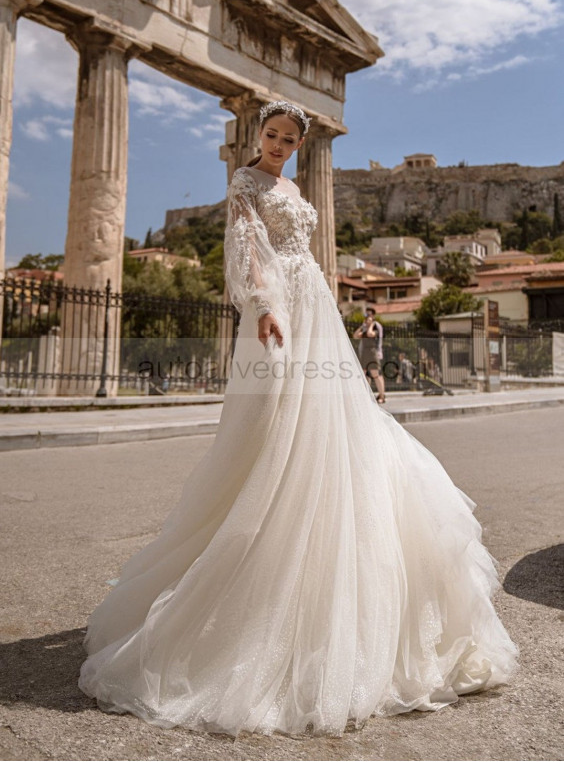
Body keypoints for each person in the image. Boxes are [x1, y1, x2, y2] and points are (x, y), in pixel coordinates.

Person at [78, 100, 519, 739]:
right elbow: (247, 246)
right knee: (278, 431)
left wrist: (316, 296)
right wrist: (263, 305)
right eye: (272, 134)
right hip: (279, 304)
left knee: (340, 429)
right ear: (256, 134)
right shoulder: (247, 183)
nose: (280, 144)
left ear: (301, 144)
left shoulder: (292, 184)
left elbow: (301, 247)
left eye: (290, 138)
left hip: (315, 301)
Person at [353, 310, 385, 403]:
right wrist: (362, 326)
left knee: (375, 374)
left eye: (369, 319)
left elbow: (370, 334)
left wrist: (371, 324)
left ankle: (382, 396)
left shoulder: (375, 328)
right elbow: (355, 336)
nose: (367, 320)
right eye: (366, 319)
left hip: (372, 352)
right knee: (364, 374)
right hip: (364, 353)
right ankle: (366, 395)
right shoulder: (364, 329)